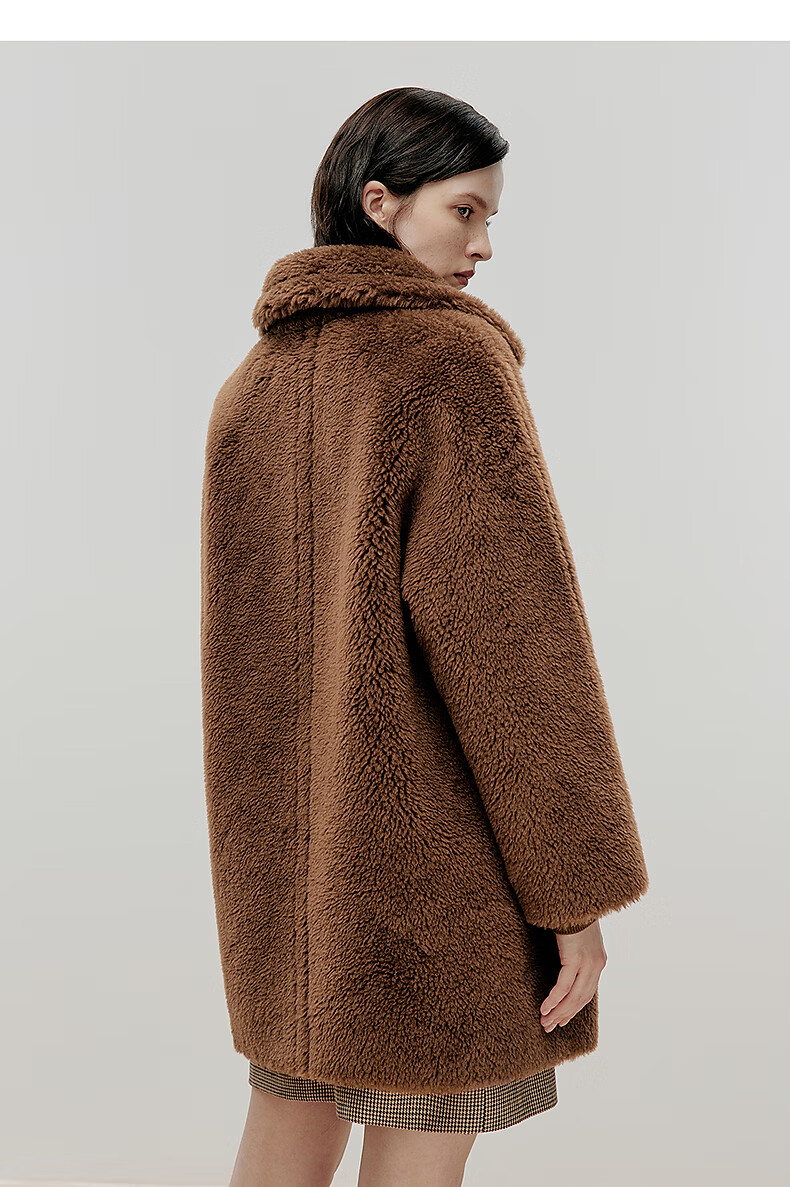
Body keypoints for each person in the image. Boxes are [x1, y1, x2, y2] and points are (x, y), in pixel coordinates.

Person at [200, 87, 649, 1187]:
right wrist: (572, 893)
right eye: (465, 211)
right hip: (430, 879)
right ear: (380, 202)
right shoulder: (446, 364)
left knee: (283, 1140)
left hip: (289, 894)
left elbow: (244, 672)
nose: (484, 245)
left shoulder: (251, 387)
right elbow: (516, 650)